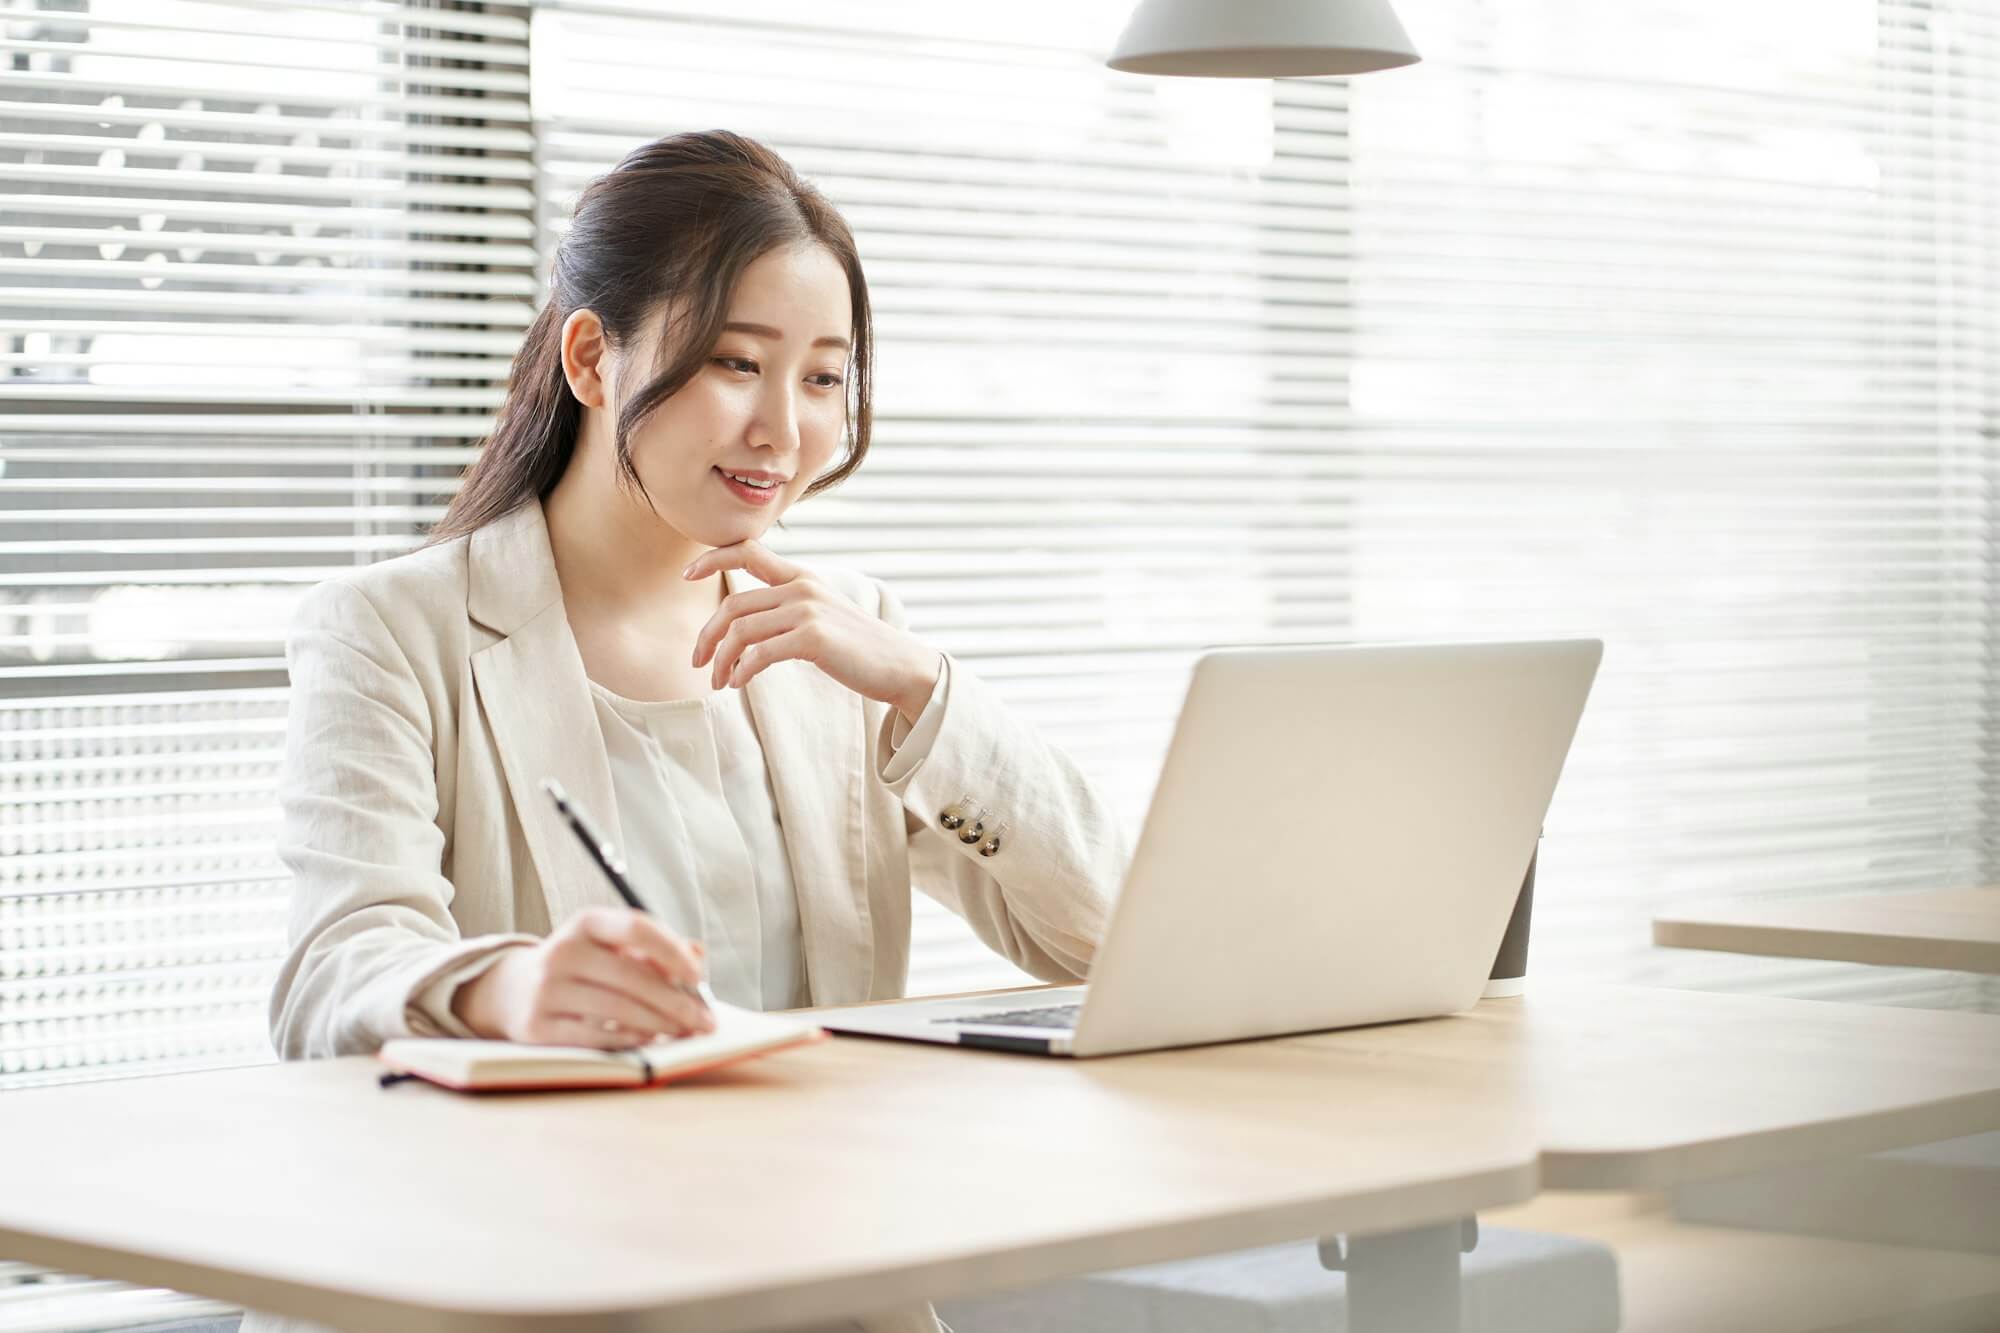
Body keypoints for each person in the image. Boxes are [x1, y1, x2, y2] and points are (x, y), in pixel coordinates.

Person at [249, 130, 1127, 1333]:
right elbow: (329, 976)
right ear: (591, 358)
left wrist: (927, 692)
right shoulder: (392, 629)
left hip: (798, 1275)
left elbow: (1098, 936)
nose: (782, 426)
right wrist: (511, 989)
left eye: (823, 377)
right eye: (733, 362)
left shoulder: (842, 638)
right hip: (509, 1278)